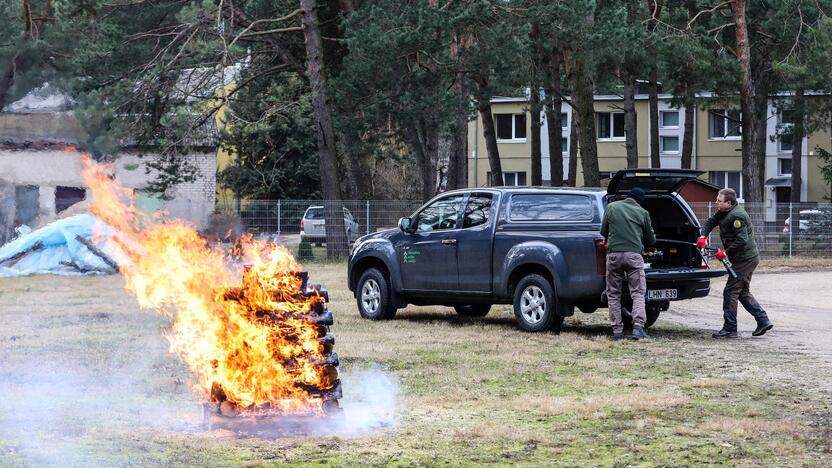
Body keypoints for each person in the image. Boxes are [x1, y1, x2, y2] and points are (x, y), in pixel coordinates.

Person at [698, 188, 773, 338]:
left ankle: (730, 329)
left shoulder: (737, 216)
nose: (716, 202)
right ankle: (763, 320)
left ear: (729, 203)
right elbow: (712, 221)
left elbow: (742, 239)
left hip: (746, 259)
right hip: (743, 259)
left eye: (719, 201)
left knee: (730, 291)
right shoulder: (724, 211)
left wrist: (725, 253)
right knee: (742, 292)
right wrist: (703, 236)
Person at [601, 187, 656, 341]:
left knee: (613, 294)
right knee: (638, 292)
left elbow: (603, 231)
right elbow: (651, 239)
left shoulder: (611, 207)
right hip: (634, 256)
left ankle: (617, 332)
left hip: (613, 256)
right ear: (640, 201)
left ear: (628, 196)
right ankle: (638, 328)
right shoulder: (643, 212)